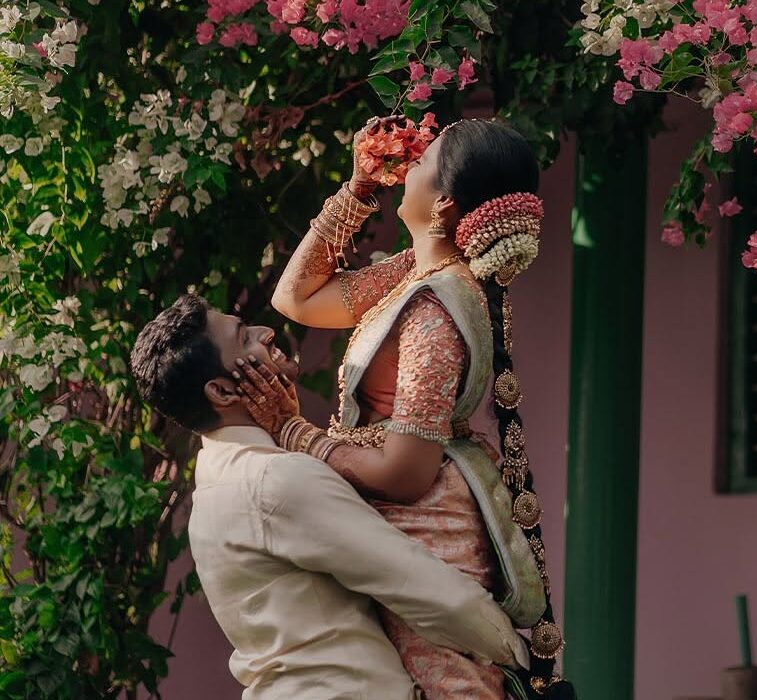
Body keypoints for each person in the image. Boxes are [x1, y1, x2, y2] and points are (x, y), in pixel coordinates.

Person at [241, 115, 574, 699]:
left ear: (443, 204)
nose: (407, 167)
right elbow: (295, 297)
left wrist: (292, 431)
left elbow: (407, 470)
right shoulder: (416, 275)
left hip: (426, 536)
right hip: (400, 527)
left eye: (420, 163)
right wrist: (358, 189)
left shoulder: (435, 309)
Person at [129, 294, 528, 700]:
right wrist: (518, 652)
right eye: (244, 337)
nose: (267, 333)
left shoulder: (216, 483)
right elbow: (421, 586)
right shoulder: (275, 480)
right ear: (222, 391)